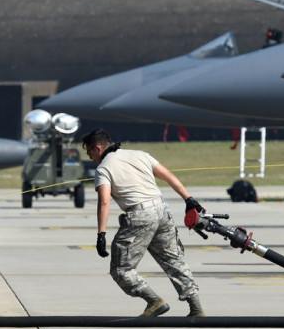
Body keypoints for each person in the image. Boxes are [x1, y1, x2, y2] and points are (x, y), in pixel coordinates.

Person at [82, 129, 205, 317]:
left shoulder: (104, 168)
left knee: (121, 269)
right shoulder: (140, 155)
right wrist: (188, 198)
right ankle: (196, 308)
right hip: (162, 210)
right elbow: (168, 175)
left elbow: (104, 201)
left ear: (98, 148)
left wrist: (101, 234)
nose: (91, 158)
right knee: (173, 260)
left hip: (139, 216)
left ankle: (154, 301)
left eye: (90, 153)